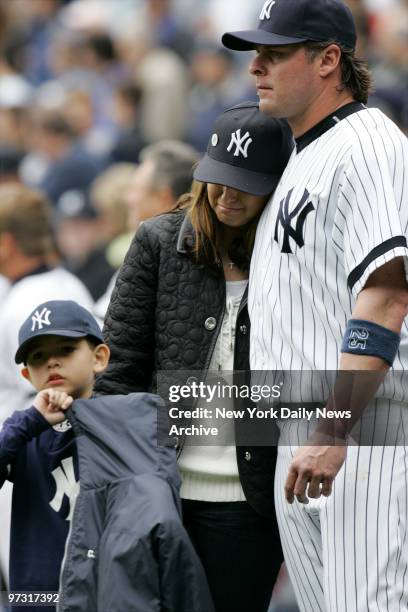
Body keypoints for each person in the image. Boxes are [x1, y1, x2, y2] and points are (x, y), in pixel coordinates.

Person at [222, 1, 408, 611]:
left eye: (274, 53)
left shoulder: (372, 147)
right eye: (256, 54)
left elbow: (386, 295)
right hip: (298, 434)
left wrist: (333, 428)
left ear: (329, 60)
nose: (257, 68)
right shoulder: (302, 151)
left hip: (363, 434)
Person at [95, 101, 293, 612]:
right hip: (163, 491)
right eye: (218, 178)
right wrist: (120, 480)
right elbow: (118, 370)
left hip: (251, 499)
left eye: (245, 183)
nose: (227, 195)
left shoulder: (292, 253)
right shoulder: (158, 240)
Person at [0, 300, 109, 609]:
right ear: (26, 376)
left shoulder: (119, 421)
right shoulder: (23, 430)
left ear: (99, 357)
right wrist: (30, 422)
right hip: (38, 599)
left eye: (65, 350)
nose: (51, 363)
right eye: (38, 357)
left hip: (104, 594)